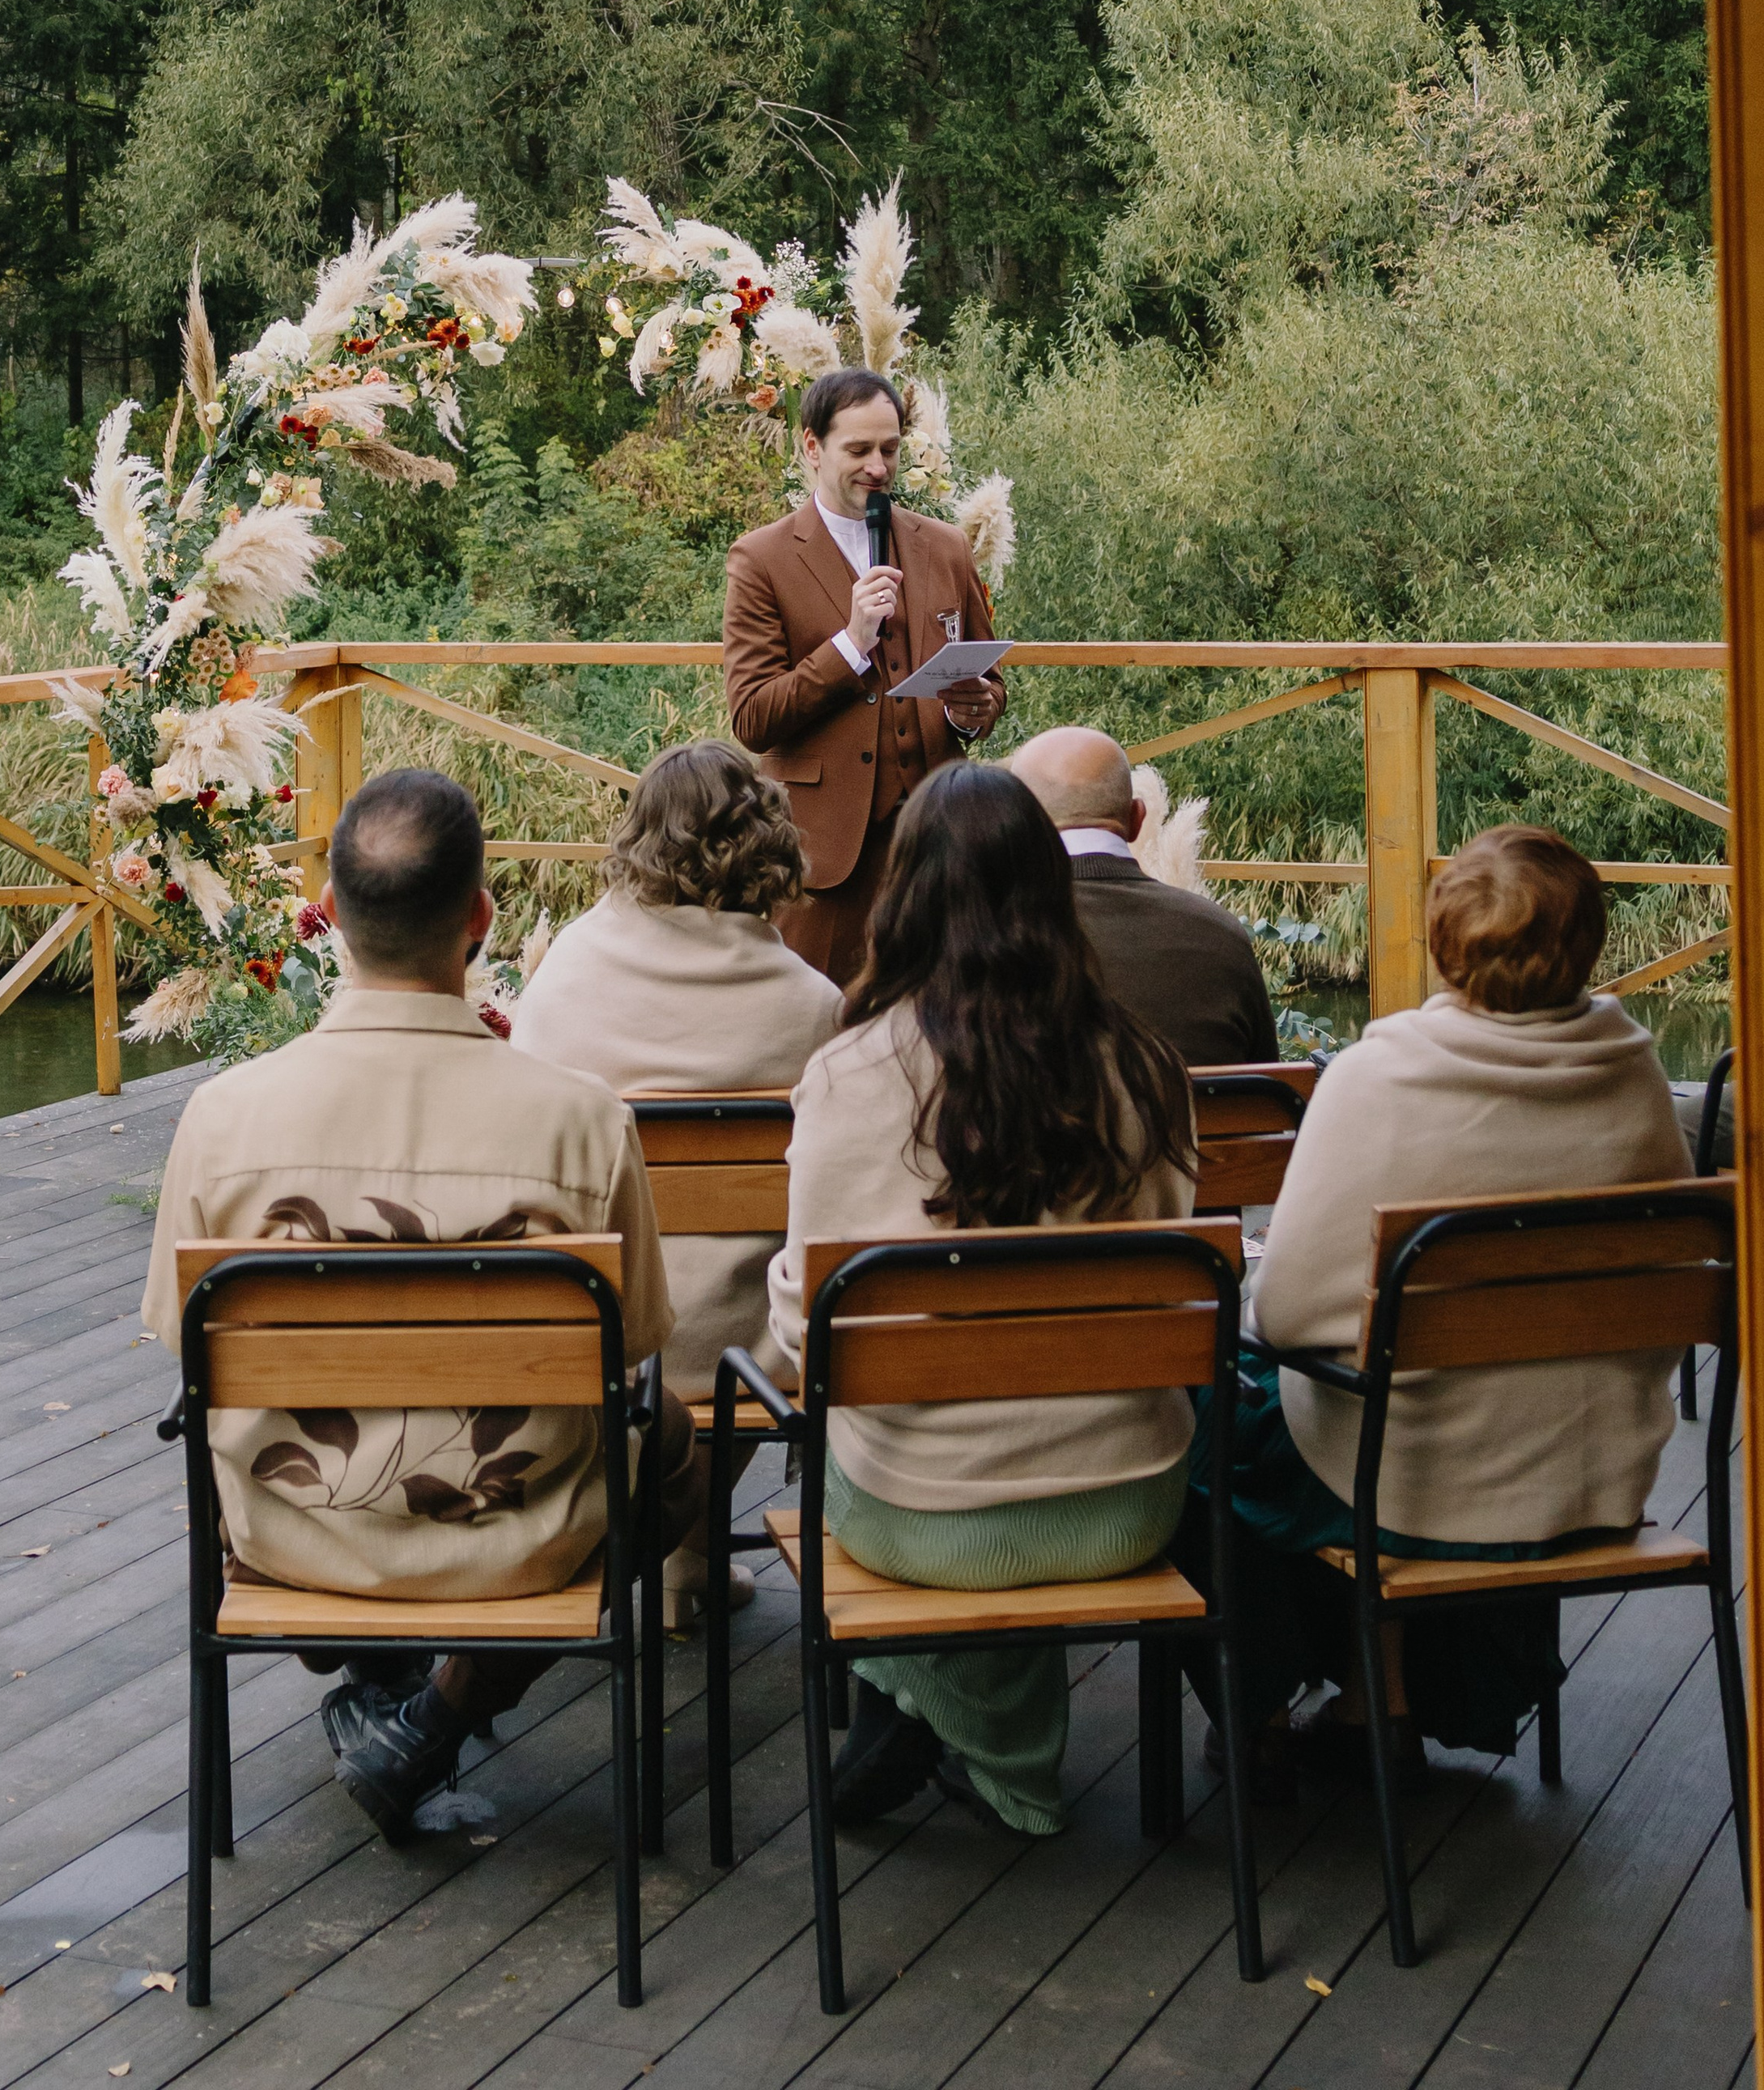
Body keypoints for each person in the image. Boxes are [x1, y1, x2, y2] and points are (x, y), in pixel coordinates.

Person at [141, 767, 706, 1843]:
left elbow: (185, 1347)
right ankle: (435, 1717)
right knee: (672, 1440)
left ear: (331, 916)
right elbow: (634, 1345)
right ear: (480, 918)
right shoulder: (584, 1121)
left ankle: (370, 1656)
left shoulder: (221, 1117)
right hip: (519, 1537)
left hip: (294, 1533)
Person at [1192, 825, 1691, 1795]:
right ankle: (1373, 1702)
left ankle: (1277, 1705)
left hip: (1413, 1483)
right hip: (1589, 1472)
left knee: (1219, 1422)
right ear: (1591, 942)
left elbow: (1283, 1316)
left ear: (1443, 943)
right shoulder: (1634, 1073)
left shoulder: (1376, 1077)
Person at [767, 762, 1197, 1835]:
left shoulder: (849, 1075)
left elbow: (803, 1328)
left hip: (924, 1513)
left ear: (903, 894)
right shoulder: (1145, 1067)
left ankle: (968, 1735)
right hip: (1127, 1498)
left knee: (862, 1448)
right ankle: (960, 1735)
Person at [511, 739, 844, 1624]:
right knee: (757, 1290)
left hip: (597, 1331)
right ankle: (687, 1556)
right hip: (743, 1354)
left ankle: (657, 1551)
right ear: (765, 838)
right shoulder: (813, 1005)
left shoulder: (565, 974)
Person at [723, 366, 1005, 986]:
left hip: (939, 846)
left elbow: (989, 680)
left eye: (889, 449)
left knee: (944, 1017)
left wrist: (972, 710)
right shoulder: (762, 559)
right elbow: (753, 717)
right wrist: (850, 645)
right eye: (858, 450)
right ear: (812, 446)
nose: (878, 467)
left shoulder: (947, 547)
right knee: (820, 1023)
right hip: (822, 858)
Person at [1008, 724, 1282, 1069]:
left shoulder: (988, 934)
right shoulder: (1221, 932)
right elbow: (1266, 1078)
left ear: (1019, 826)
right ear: (1138, 818)